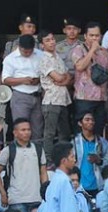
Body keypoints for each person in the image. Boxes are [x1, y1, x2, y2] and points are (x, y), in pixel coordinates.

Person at [0, 118, 48, 212]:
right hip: (16, 199)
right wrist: (3, 193)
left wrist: (45, 192)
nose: (27, 132)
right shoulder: (8, 150)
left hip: (36, 198)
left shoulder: (39, 149)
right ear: (15, 133)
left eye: (28, 129)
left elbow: (43, 172)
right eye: (23, 130)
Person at [71, 21, 108, 136]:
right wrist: (92, 50)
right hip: (84, 98)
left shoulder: (104, 52)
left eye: (97, 35)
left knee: (98, 129)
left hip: (101, 98)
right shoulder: (78, 49)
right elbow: (80, 66)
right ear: (85, 36)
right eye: (91, 35)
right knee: (82, 130)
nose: (94, 38)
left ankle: (97, 153)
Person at [39, 30, 72, 166]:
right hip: (51, 100)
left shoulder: (57, 56)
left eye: (52, 39)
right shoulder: (44, 59)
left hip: (63, 99)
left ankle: (63, 159)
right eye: (47, 40)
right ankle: (48, 161)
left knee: (64, 133)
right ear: (42, 45)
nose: (52, 42)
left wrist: (63, 80)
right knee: (49, 134)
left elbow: (68, 76)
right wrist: (63, 78)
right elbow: (58, 77)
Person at [2, 35, 44, 142]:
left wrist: (38, 80)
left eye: (29, 51)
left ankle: (36, 154)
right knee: (21, 128)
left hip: (37, 95)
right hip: (20, 96)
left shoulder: (40, 55)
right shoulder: (10, 59)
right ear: (19, 47)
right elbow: (5, 79)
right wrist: (23, 80)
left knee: (37, 129)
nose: (27, 53)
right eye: (24, 51)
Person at [73, 112, 108, 196]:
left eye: (92, 120)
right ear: (80, 123)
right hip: (79, 186)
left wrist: (99, 161)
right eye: (87, 120)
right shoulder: (74, 142)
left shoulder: (102, 142)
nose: (90, 122)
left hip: (98, 186)